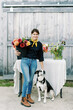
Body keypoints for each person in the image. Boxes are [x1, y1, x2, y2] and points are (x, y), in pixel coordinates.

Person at [15, 29, 44, 107]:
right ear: (31, 34)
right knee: (27, 79)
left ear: (38, 35)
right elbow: (17, 46)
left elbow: (41, 56)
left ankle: (28, 96)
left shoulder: (39, 44)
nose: (35, 35)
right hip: (25, 61)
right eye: (34, 34)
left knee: (31, 80)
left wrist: (42, 68)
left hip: (34, 62)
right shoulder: (26, 42)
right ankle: (23, 99)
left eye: (37, 34)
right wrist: (16, 51)